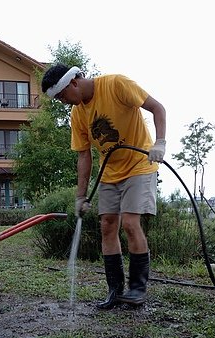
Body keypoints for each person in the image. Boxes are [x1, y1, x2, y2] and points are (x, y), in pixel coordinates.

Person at [41, 64, 167, 309]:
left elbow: (157, 108)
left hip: (140, 165)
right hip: (110, 172)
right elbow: (83, 156)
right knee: (107, 226)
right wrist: (81, 196)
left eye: (62, 96)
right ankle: (115, 291)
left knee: (130, 223)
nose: (63, 102)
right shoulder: (78, 114)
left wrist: (160, 143)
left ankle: (138, 289)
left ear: (73, 83)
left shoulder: (116, 85)